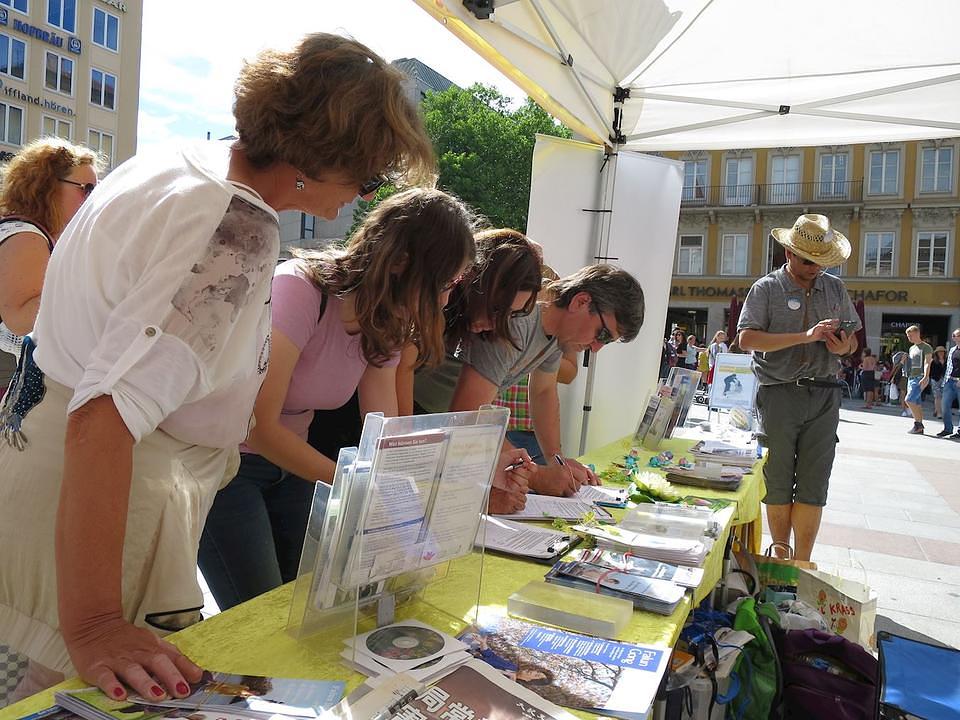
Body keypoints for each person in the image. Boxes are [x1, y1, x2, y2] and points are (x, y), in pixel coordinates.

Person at [0, 33, 436, 702]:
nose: (361, 195)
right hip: (107, 495)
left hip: (62, 469)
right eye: (368, 177)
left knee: (47, 686)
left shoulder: (180, 163)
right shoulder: (235, 226)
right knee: (79, 690)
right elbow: (105, 416)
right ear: (317, 158)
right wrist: (96, 624)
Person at [197, 188, 477, 612]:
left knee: (306, 604)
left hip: (293, 468)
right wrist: (359, 485)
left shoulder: (386, 321)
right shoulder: (300, 289)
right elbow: (259, 426)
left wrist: (416, 491)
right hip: (227, 466)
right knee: (261, 611)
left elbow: (382, 432)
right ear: (401, 262)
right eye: (443, 284)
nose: (444, 301)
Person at [416, 264, 645, 496]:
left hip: (444, 425)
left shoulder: (558, 333)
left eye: (607, 341)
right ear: (581, 302)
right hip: (419, 419)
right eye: (602, 334)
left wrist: (556, 461)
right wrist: (536, 475)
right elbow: (469, 414)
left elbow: (544, 392)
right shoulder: (520, 318)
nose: (596, 348)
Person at [737, 214, 859, 561]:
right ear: (789, 253)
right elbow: (746, 339)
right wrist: (804, 337)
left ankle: (802, 563)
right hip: (779, 392)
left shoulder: (835, 288)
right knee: (777, 479)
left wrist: (843, 347)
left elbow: (852, 342)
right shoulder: (766, 288)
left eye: (821, 261)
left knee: (814, 483)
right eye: (808, 261)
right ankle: (780, 556)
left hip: (825, 392)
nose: (815, 268)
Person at [398, 228, 544, 513]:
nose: (497, 323)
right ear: (476, 281)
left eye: (511, 315)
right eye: (497, 308)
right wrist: (474, 497)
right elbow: (402, 434)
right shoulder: (430, 310)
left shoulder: (463, 321)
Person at [0, 138, 101, 381]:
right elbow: (20, 320)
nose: (93, 198)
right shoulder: (27, 236)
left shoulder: (28, 232)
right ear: (48, 187)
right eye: (86, 188)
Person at [904, 325, 933, 435]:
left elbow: (927, 362)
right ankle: (919, 426)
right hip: (911, 377)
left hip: (919, 377)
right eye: (908, 336)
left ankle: (918, 425)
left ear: (917, 333)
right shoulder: (912, 348)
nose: (909, 338)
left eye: (910, 335)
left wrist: (926, 376)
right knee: (917, 402)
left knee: (909, 400)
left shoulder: (926, 347)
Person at [937, 329, 960, 438]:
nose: (956, 337)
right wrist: (945, 382)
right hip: (950, 381)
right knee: (945, 405)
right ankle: (948, 429)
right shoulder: (952, 350)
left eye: (958, 335)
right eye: (955, 335)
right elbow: (949, 366)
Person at [930, 345, 946, 419]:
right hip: (935, 380)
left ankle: (937, 410)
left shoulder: (947, 361)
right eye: (939, 352)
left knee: (943, 396)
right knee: (937, 396)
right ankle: (939, 413)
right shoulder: (933, 361)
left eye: (942, 352)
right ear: (936, 353)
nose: (941, 353)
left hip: (944, 380)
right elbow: (930, 372)